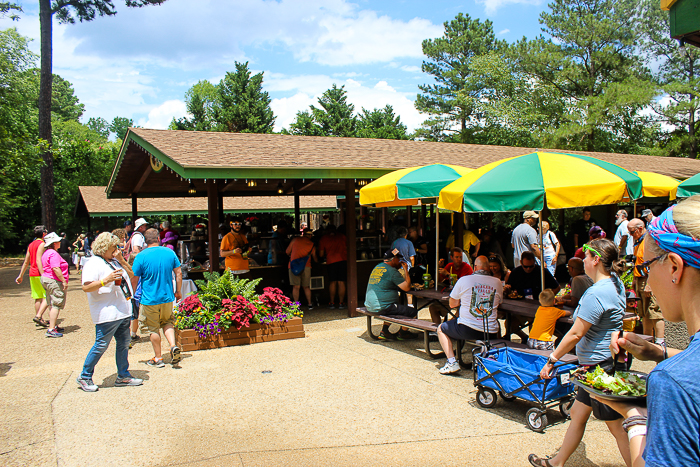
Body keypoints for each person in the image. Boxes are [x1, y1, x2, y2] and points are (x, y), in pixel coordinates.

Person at [593, 196, 700, 467]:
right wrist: (658, 352)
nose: (647, 282)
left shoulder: (672, 383)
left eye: (646, 268)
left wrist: (636, 417)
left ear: (674, 267)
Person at [529, 238, 628, 467]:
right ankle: (557, 462)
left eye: (585, 256)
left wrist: (552, 360)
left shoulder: (597, 293)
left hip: (599, 369)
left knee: (616, 426)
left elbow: (575, 334)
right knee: (577, 414)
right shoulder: (616, 283)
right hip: (598, 365)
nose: (582, 261)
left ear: (595, 259)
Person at [76, 232, 143, 392]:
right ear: (104, 247)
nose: (117, 251)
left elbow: (133, 274)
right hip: (107, 312)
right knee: (101, 344)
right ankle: (85, 375)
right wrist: (105, 281)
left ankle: (123, 375)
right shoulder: (93, 263)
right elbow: (86, 287)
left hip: (122, 310)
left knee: (123, 344)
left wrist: (121, 260)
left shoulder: (114, 261)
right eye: (114, 248)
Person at [436, 256, 503, 374]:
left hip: (467, 329)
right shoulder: (497, 282)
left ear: (475, 267)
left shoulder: (464, 280)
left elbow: (452, 304)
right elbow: (499, 302)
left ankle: (452, 362)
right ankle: (483, 359)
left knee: (441, 328)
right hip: (491, 331)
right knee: (493, 324)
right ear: (488, 268)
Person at [131, 228, 182, 368]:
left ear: (145, 241)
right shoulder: (169, 252)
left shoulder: (140, 256)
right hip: (167, 297)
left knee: (153, 328)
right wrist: (178, 291)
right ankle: (173, 346)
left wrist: (132, 295)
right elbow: (178, 273)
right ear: (159, 239)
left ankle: (158, 358)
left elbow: (134, 278)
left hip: (149, 299)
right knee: (167, 322)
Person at [364, 249, 417, 341]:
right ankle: (403, 333)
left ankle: (384, 332)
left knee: (395, 307)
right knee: (412, 312)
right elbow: (407, 287)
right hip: (382, 306)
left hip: (370, 305)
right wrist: (405, 270)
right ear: (393, 259)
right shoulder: (392, 271)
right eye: (398, 259)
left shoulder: (377, 267)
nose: (400, 261)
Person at [627, 218, 664, 343]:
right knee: (644, 312)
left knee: (654, 311)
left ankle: (660, 342)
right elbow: (638, 261)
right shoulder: (638, 240)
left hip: (649, 279)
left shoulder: (650, 240)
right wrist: (634, 278)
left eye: (632, 232)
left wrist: (650, 284)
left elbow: (654, 263)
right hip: (640, 279)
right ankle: (646, 340)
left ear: (640, 229)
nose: (630, 235)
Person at [16, 225, 50, 327]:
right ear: (43, 234)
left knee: (38, 297)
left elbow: (26, 261)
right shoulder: (42, 244)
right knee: (47, 295)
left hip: (32, 273)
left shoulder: (31, 245)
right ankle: (39, 317)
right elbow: (40, 260)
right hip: (40, 273)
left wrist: (21, 275)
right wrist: (43, 274)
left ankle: (39, 317)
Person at [430, 247, 474, 325]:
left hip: (463, 299)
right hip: (451, 297)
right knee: (433, 307)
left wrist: (447, 274)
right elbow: (438, 280)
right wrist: (438, 268)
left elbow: (462, 285)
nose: (459, 259)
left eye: (460, 257)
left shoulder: (467, 268)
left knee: (461, 310)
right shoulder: (450, 266)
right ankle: (436, 330)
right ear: (451, 257)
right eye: (457, 257)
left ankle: (447, 327)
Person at [41, 232, 70, 338]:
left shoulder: (47, 253)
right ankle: (51, 329)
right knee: (56, 303)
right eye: (58, 241)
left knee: (51, 302)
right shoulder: (53, 254)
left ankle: (53, 325)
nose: (60, 242)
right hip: (54, 280)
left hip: (46, 279)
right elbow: (55, 268)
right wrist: (63, 280)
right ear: (53, 243)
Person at [286, 227, 317, 311]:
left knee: (296, 287)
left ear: (303, 234)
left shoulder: (295, 240)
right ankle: (310, 304)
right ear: (310, 235)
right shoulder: (312, 244)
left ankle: (296, 305)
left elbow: (287, 252)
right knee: (306, 287)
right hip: (306, 267)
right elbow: (315, 259)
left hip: (293, 266)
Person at [318, 224, 347, 309]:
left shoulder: (324, 238)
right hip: (342, 260)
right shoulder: (342, 236)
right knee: (341, 282)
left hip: (331, 261)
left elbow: (321, 254)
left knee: (332, 282)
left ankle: (332, 303)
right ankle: (341, 303)